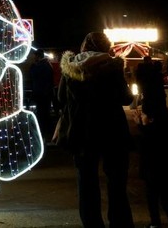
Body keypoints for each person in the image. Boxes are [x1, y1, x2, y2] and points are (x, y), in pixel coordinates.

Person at [55, 31, 134, 227]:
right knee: (116, 180)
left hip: (82, 130)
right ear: (106, 46)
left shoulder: (70, 67)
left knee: (86, 181)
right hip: (112, 130)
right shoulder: (113, 67)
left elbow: (61, 99)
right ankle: (119, 221)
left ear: (84, 46)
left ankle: (92, 223)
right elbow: (126, 98)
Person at [134, 66, 168, 228]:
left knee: (152, 196)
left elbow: (151, 138)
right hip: (167, 164)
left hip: (154, 164)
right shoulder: (160, 103)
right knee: (167, 198)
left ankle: (155, 223)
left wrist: (141, 125)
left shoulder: (150, 103)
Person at [28, 48, 55, 141]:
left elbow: (34, 77)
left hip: (41, 93)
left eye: (34, 56)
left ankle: (44, 132)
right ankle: (46, 132)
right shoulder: (47, 65)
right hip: (45, 94)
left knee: (42, 113)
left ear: (37, 56)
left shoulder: (40, 67)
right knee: (45, 113)